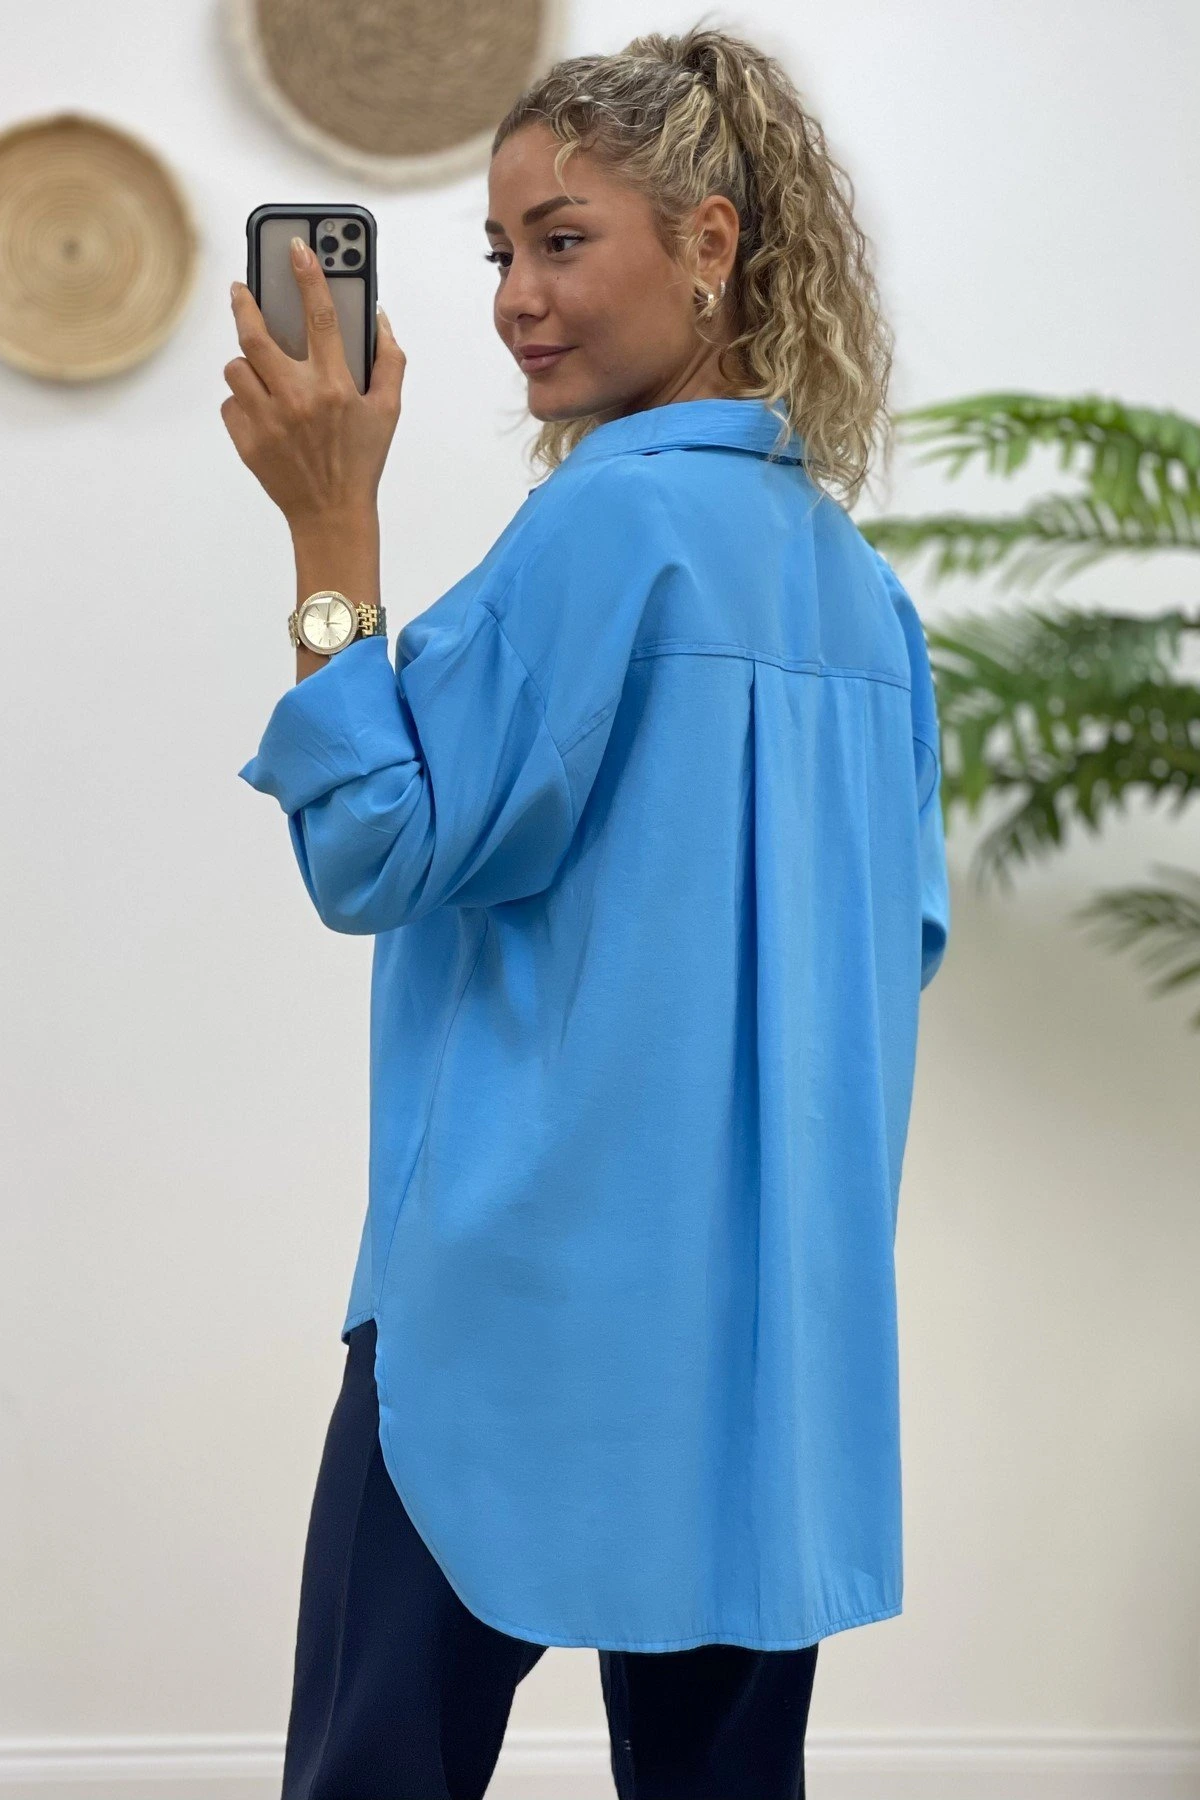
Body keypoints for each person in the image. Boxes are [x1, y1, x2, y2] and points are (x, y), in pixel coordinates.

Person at [225, 22, 950, 1800]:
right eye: (499, 253)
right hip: (769, 1328)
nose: (515, 301)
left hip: (512, 1299)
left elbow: (372, 853)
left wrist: (330, 536)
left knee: (376, 1766)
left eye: (562, 240)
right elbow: (900, 948)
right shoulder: (866, 599)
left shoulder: (603, 533)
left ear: (710, 244)